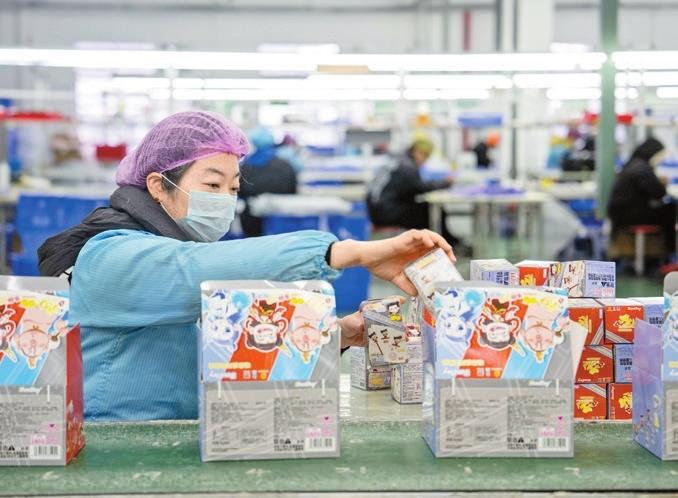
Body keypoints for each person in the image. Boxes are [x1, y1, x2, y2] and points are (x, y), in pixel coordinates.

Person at [37, 111, 455, 421]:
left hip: (179, 437)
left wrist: (336, 335)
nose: (225, 198)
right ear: (158, 185)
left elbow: (224, 350)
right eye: (212, 184)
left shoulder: (176, 242)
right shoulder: (109, 255)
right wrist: (350, 252)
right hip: (116, 448)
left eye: (233, 187)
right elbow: (191, 271)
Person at [367, 138, 458, 245]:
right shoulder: (407, 167)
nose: (425, 160)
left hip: (377, 211)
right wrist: (446, 183)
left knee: (423, 208)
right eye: (425, 155)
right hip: (386, 213)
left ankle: (443, 241)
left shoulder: (398, 161)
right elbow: (420, 187)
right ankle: (445, 243)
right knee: (429, 211)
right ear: (416, 151)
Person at [608, 137, 676, 259]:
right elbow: (658, 193)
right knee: (671, 210)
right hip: (629, 216)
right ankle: (670, 252)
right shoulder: (641, 168)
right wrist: (661, 183)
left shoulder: (635, 164)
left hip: (621, 214)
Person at [239, 127, 297, 237]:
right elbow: (293, 190)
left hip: (253, 222)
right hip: (284, 223)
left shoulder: (246, 167)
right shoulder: (285, 165)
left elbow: (240, 191)